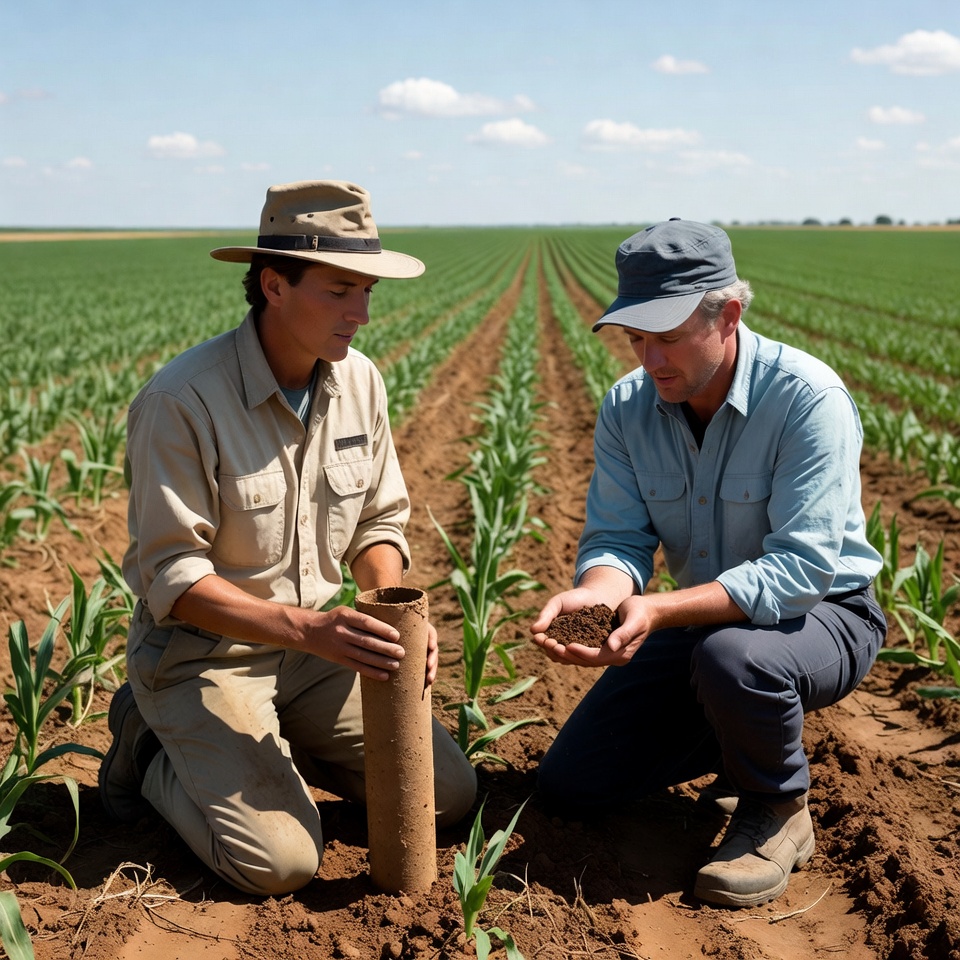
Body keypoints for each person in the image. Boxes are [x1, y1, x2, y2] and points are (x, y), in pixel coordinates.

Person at [99, 180, 477, 896]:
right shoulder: (181, 401)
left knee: (447, 795)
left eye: (366, 292)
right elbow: (173, 575)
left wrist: (384, 610)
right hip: (205, 657)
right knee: (282, 864)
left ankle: (267, 749)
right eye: (339, 291)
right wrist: (309, 628)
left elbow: (377, 520)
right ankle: (149, 749)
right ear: (274, 285)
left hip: (313, 651)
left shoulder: (360, 380)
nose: (360, 314)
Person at [531, 219, 886, 908]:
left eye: (667, 337)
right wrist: (599, 599)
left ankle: (776, 807)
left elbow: (802, 571)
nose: (648, 358)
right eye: (636, 338)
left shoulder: (806, 399)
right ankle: (735, 737)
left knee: (737, 661)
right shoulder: (628, 408)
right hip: (705, 622)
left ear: (728, 315)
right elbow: (618, 538)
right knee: (571, 786)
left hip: (825, 615)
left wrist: (658, 609)